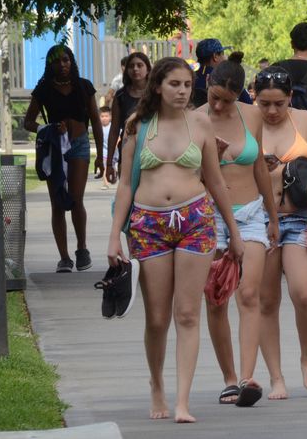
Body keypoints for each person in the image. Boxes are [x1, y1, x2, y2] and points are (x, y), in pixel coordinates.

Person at [107, 57, 244, 423]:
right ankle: (157, 384)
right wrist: (114, 237)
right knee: (157, 318)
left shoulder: (200, 123)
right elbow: (125, 185)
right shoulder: (138, 125)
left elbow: (215, 181)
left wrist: (234, 231)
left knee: (187, 313)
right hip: (148, 224)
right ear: (157, 86)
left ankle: (183, 401)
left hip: (195, 220)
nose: (183, 91)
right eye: (174, 84)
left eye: (187, 85)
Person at [256, 66, 307, 400]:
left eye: (279, 103)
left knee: (304, 294)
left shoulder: (304, 120)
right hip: (259, 220)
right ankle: (276, 377)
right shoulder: (246, 122)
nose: (272, 111)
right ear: (255, 98)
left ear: (290, 97)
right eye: (265, 104)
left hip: (299, 217)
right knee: (266, 301)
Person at [203, 61, 279, 406]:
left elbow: (259, 166)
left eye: (228, 100)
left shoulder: (252, 116)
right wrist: (211, 159)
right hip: (211, 216)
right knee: (217, 298)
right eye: (215, 97)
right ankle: (229, 379)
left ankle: (248, 377)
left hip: (250, 214)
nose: (220, 106)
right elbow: (190, 177)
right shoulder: (195, 120)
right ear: (208, 82)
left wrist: (273, 216)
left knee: (249, 294)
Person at [24, 44, 104, 272]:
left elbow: (96, 120)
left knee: (76, 199)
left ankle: (82, 249)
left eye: (66, 60)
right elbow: (28, 122)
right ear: (50, 65)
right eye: (57, 61)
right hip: (55, 147)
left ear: (72, 62)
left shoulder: (83, 86)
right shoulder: (44, 89)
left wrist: (101, 156)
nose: (62, 65)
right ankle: (64, 257)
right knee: (58, 202)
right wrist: (47, 128)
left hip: (79, 144)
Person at [106, 52, 151, 184]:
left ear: (148, 69)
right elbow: (114, 130)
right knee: (127, 190)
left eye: (140, 65)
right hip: (127, 150)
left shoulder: (157, 93)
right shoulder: (120, 95)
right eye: (131, 66)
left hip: (153, 150)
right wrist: (109, 163)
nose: (135, 69)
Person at [194, 38, 252, 107]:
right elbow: (248, 103)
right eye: (223, 54)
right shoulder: (225, 77)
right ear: (215, 56)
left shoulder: (190, 76)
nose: (225, 58)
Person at [99, 106, 115, 190]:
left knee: (113, 166)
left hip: (114, 152)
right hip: (104, 151)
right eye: (102, 116)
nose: (104, 118)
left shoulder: (113, 127)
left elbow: (118, 138)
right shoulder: (99, 128)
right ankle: (105, 183)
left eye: (106, 116)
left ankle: (113, 176)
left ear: (110, 117)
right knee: (105, 167)